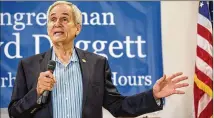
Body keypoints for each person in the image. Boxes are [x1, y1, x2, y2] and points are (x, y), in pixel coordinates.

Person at [8, 1, 189, 118]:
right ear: (48, 28)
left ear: (77, 28)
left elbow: (118, 106)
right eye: (52, 19)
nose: (57, 23)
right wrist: (37, 92)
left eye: (64, 19)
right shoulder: (28, 65)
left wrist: (153, 95)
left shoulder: (97, 64)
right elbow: (15, 112)